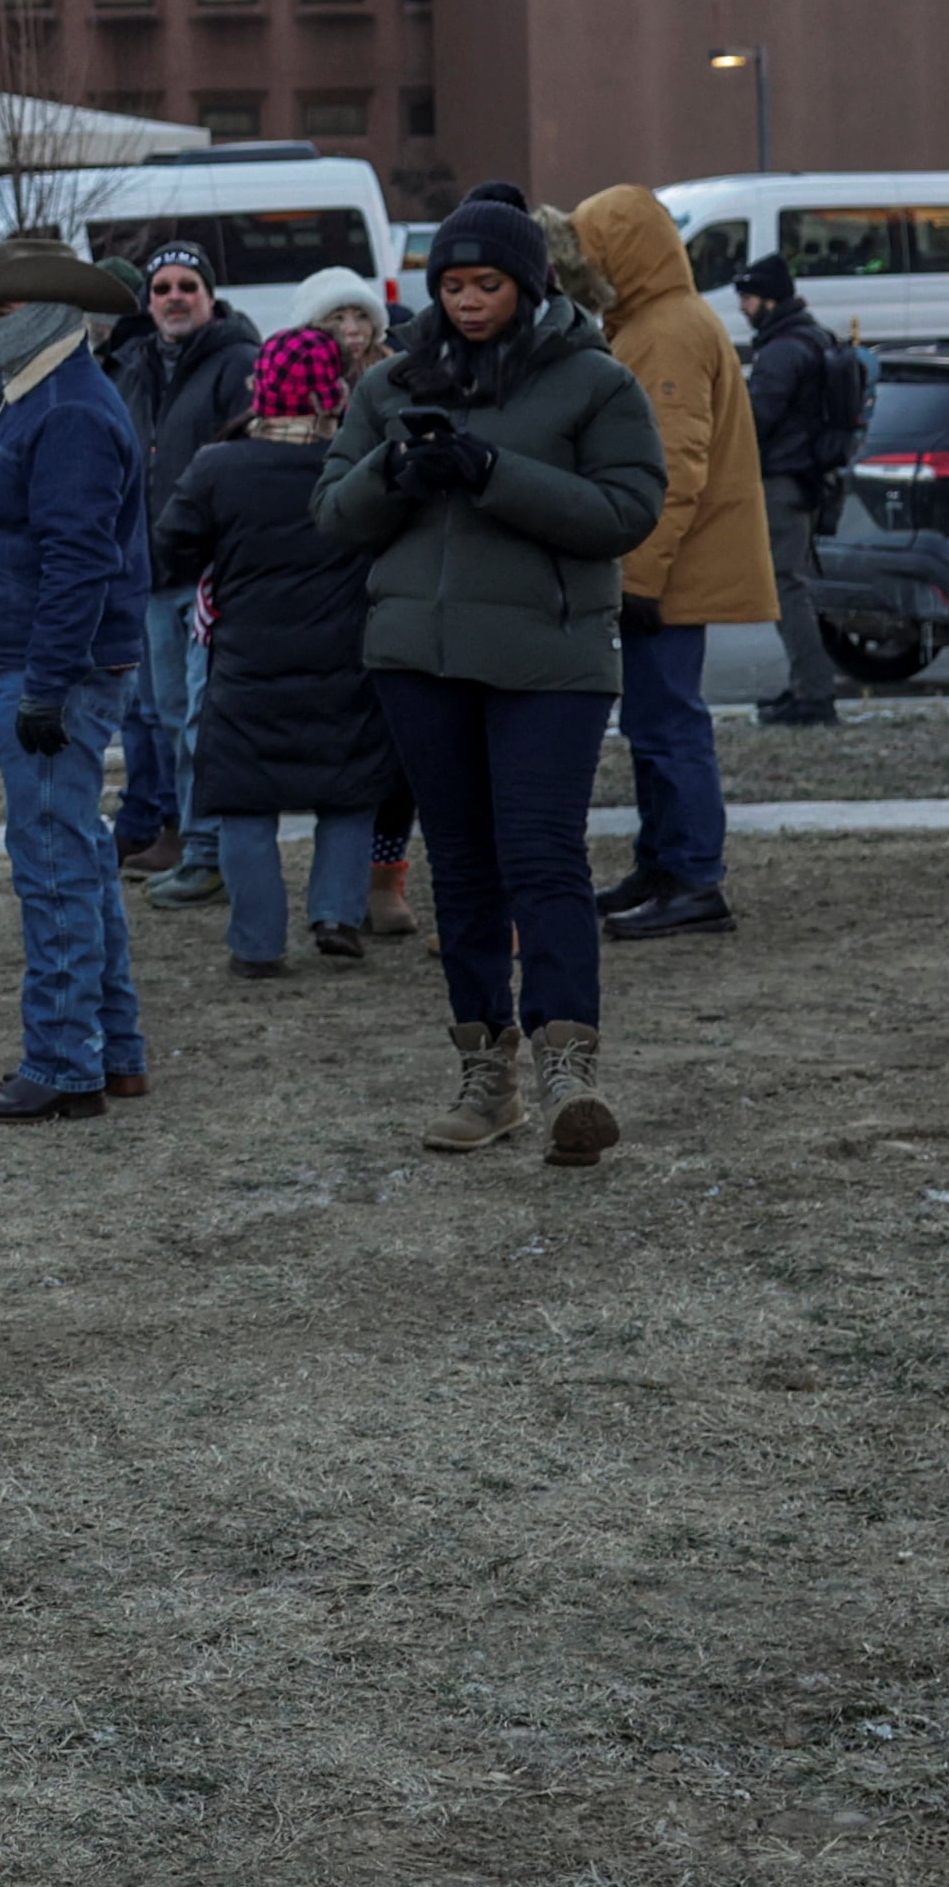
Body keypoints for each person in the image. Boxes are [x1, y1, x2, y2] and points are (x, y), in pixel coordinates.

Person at [314, 184, 667, 1164]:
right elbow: (332, 514)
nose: (470, 302)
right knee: (463, 868)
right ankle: (487, 1074)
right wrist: (396, 474)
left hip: (549, 662)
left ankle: (568, 1071)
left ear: (529, 282)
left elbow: (627, 510)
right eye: (455, 285)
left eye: (489, 283)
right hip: (419, 663)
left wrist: (491, 474)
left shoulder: (594, 381)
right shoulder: (390, 385)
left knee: (542, 858)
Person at [0, 233, 155, 1123]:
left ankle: (66, 1063)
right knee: (80, 858)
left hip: (47, 670)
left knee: (56, 864)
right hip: (42, 664)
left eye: (0, 308)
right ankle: (114, 1051)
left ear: (53, 311)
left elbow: (78, 560)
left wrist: (44, 686)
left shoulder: (63, 408)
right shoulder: (43, 396)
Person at [567, 188, 775, 945]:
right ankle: (665, 868)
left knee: (667, 727)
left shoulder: (663, 333)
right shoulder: (665, 322)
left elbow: (669, 469)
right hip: (672, 570)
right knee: (657, 724)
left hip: (670, 575)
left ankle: (691, 877)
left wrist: (639, 579)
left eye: (590, 253)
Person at [157, 328, 395, 971]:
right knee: (348, 794)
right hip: (346, 657)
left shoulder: (218, 467)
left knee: (245, 806)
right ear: (336, 390)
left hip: (247, 662)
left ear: (260, 388)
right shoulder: (358, 467)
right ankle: (338, 914)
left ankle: (257, 945)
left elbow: (171, 546)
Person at [107, 246, 262, 913]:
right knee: (170, 717)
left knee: (206, 721)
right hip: (147, 572)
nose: (174, 297)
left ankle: (213, 854)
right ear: (148, 301)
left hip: (210, 577)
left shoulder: (239, 363)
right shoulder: (132, 369)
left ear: (210, 295)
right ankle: (201, 848)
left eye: (187, 286)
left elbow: (248, 460)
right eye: (163, 287)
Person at [290, 265, 419, 931]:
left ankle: (384, 877)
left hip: (387, 576)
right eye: (335, 319)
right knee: (344, 746)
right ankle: (340, 882)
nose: (350, 331)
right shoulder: (292, 389)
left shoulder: (400, 382)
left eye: (360, 317)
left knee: (397, 747)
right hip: (321, 585)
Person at [736, 255, 870, 727]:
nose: (744, 308)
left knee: (786, 588)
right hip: (807, 479)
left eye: (748, 299)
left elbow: (756, 420)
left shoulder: (781, 351)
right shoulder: (813, 338)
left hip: (782, 482)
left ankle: (813, 693)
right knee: (791, 585)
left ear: (770, 299)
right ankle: (805, 687)